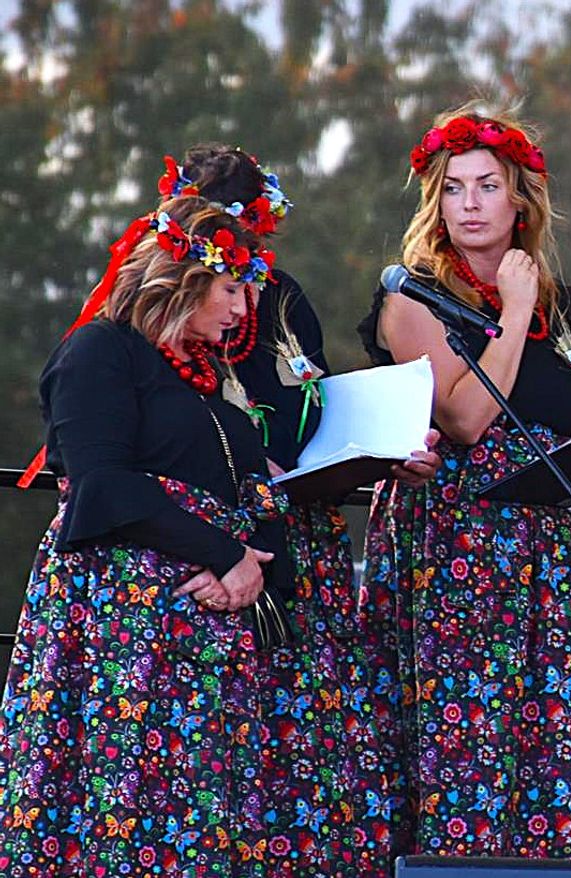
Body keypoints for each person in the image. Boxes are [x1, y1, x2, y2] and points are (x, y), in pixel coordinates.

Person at [168, 144, 439, 873]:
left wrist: (384, 445)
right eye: (217, 232)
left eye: (249, 232)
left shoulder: (283, 296)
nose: (238, 252)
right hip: (207, 541)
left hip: (300, 532)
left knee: (306, 735)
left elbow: (310, 399)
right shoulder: (154, 310)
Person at [357, 106, 571, 859]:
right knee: (469, 746)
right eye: (454, 188)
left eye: (488, 186)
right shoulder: (412, 297)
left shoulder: (554, 303)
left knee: (559, 747)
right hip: (461, 550)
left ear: (520, 202)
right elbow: (468, 416)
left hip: (553, 551)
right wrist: (515, 311)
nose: (469, 203)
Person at [0, 196, 288, 872]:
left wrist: (255, 564)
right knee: (130, 797)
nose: (242, 308)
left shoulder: (207, 375)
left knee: (207, 808)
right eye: (230, 288)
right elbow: (103, 482)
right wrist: (223, 554)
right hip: (128, 623)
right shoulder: (99, 351)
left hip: (211, 618)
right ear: (183, 277)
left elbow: (248, 479)